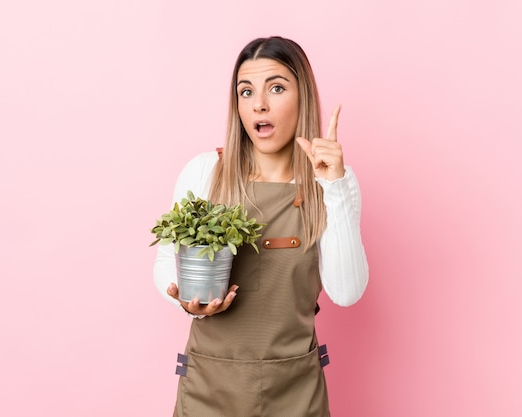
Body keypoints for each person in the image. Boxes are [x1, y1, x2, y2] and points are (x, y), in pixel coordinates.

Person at [153, 36, 369, 417]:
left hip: (295, 393)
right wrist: (191, 304)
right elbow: (168, 260)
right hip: (209, 388)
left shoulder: (334, 183)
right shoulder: (205, 172)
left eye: (277, 88)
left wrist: (333, 186)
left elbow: (347, 292)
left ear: (303, 96)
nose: (259, 104)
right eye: (246, 91)